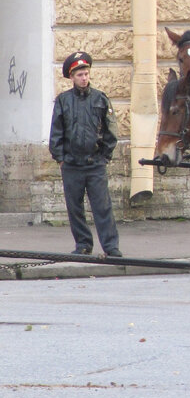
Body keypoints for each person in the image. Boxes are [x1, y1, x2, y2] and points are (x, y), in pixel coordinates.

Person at [49, 52, 122, 257]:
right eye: (79, 74)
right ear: (71, 77)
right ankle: (83, 245)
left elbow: (111, 130)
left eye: (86, 73)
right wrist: (60, 158)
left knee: (102, 207)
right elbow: (56, 132)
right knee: (75, 208)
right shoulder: (63, 101)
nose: (84, 78)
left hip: (94, 163)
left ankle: (111, 247)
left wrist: (105, 156)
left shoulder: (100, 98)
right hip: (71, 164)